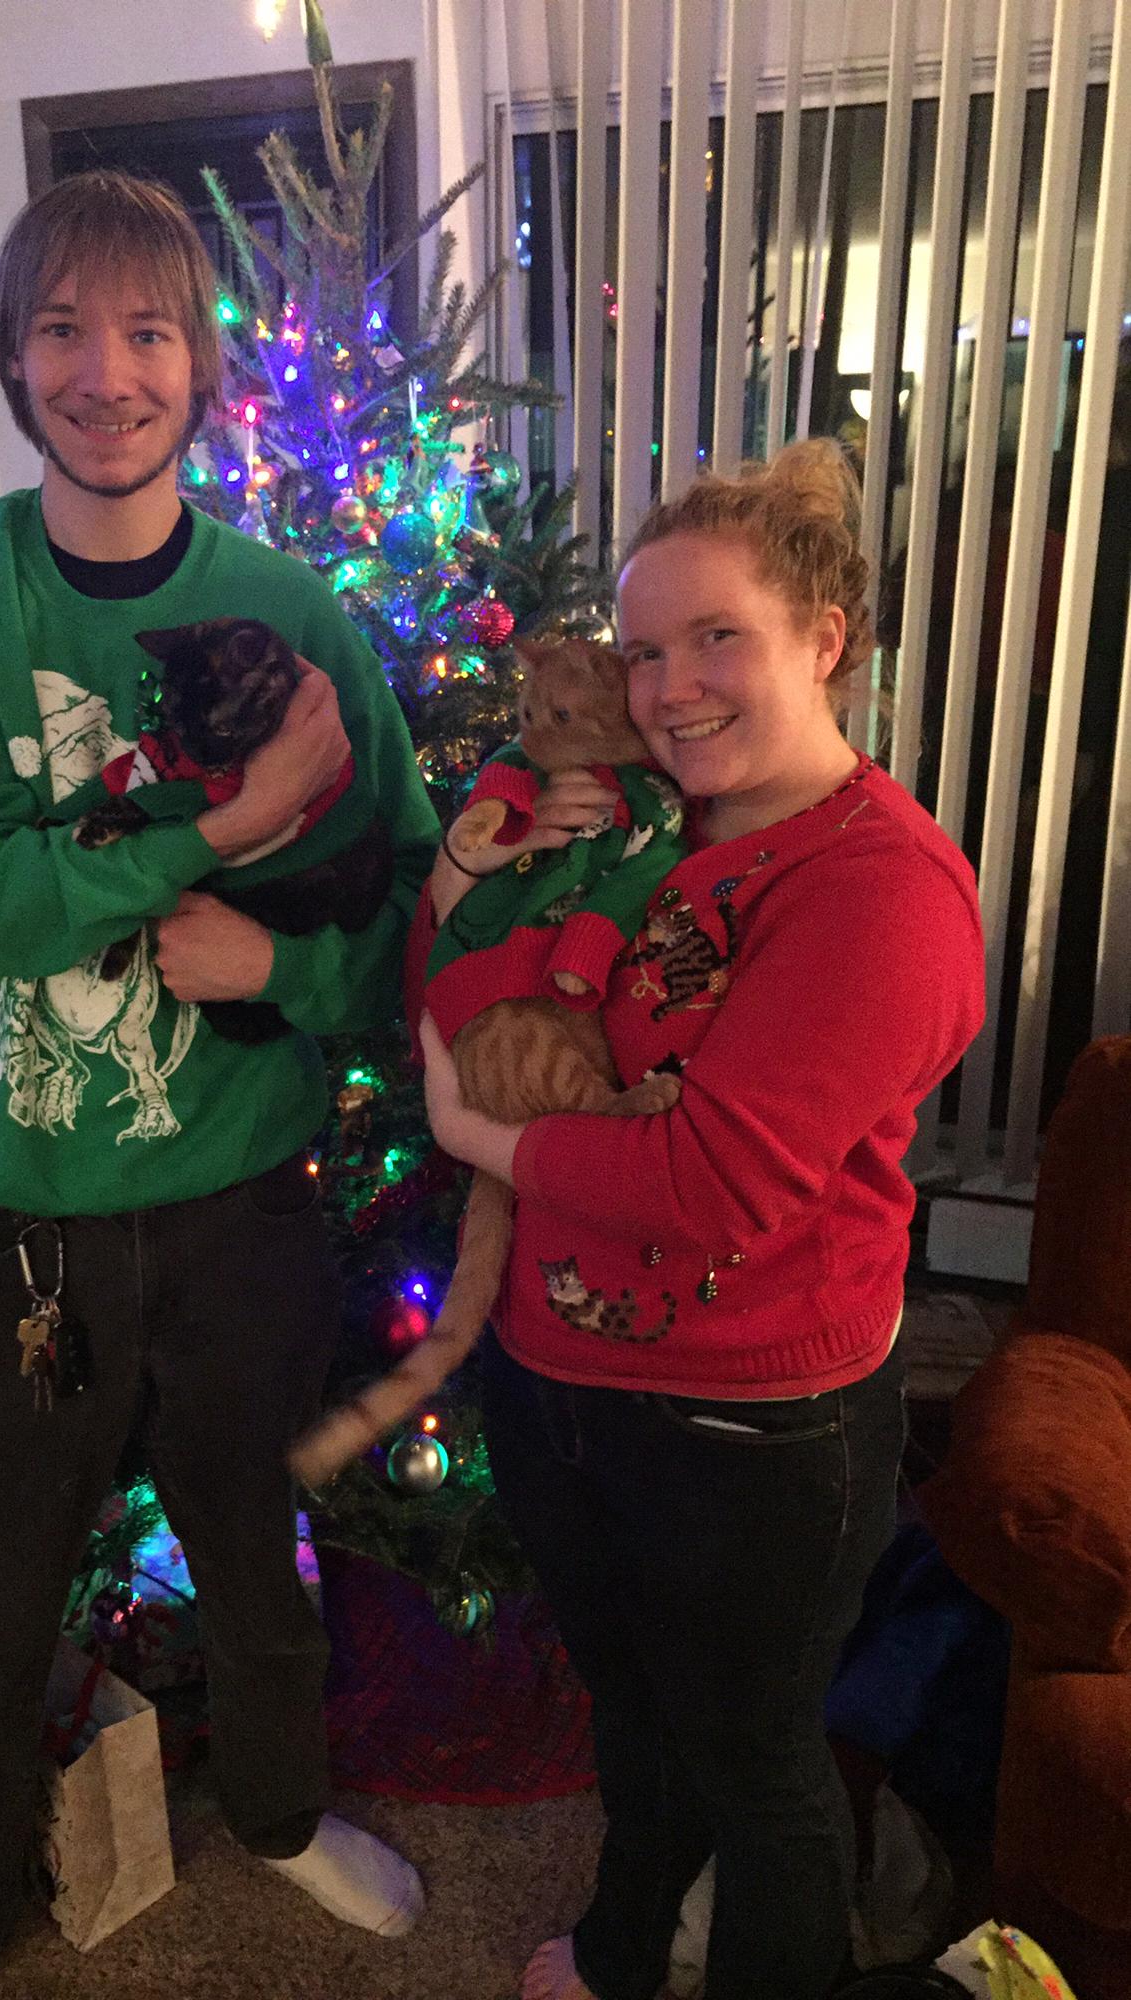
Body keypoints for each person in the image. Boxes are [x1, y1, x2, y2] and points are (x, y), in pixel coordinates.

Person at [0, 169, 439, 2000]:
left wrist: (278, 962)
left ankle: (275, 1817)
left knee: (254, 1558)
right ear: (11, 356)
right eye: (62, 330)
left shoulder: (291, 610)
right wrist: (226, 823)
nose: (104, 374)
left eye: (145, 333)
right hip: (15, 1226)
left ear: (201, 365)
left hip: (236, 1207)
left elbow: (407, 901)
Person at [413, 440, 986, 2000]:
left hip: (752, 1424)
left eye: (717, 637)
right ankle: (623, 1953)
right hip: (559, 1375)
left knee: (754, 1762)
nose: (669, 688)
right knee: (636, 1715)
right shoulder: (650, 827)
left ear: (826, 638)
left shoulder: (883, 890)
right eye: (646, 648)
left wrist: (477, 1134)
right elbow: (478, 970)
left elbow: (711, 1184)